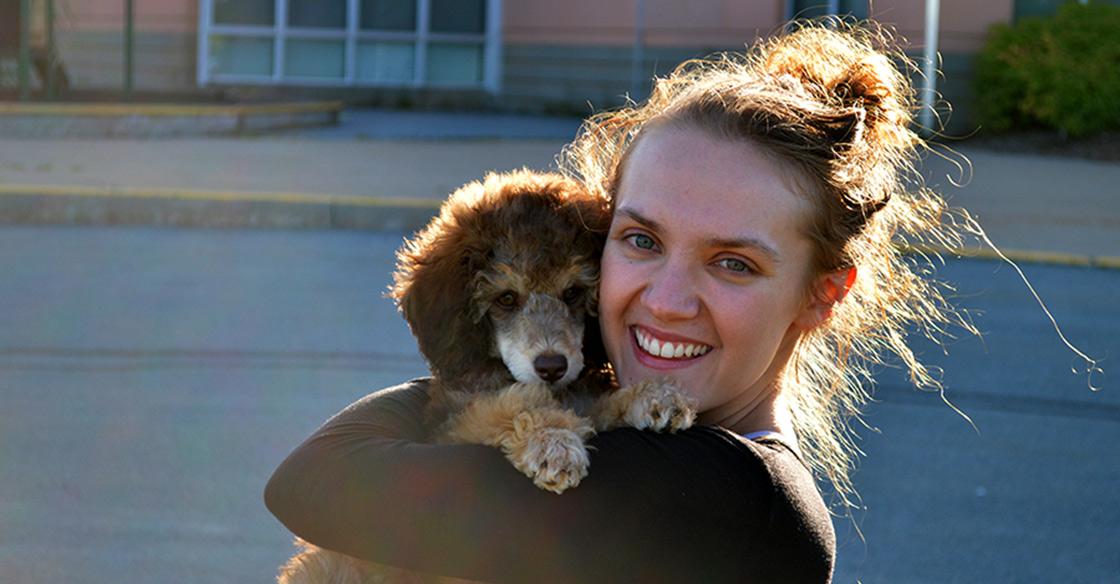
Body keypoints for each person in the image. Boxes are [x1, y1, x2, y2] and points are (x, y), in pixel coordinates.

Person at [265, 23, 977, 583]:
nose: (666, 301)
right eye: (640, 240)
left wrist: (480, 377)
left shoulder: (723, 493)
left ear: (820, 296)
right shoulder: (639, 435)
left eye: (733, 262)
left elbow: (319, 480)